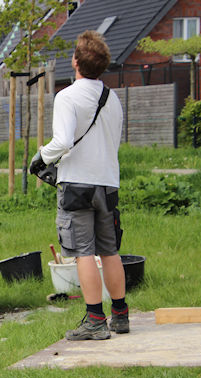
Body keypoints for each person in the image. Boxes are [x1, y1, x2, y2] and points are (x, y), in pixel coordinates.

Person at [30, 30, 129, 340]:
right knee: (109, 251)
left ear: (75, 61)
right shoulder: (112, 98)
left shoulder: (67, 96)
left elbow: (63, 141)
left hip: (76, 185)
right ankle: (120, 315)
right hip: (107, 183)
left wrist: (41, 158)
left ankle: (95, 321)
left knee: (83, 252)